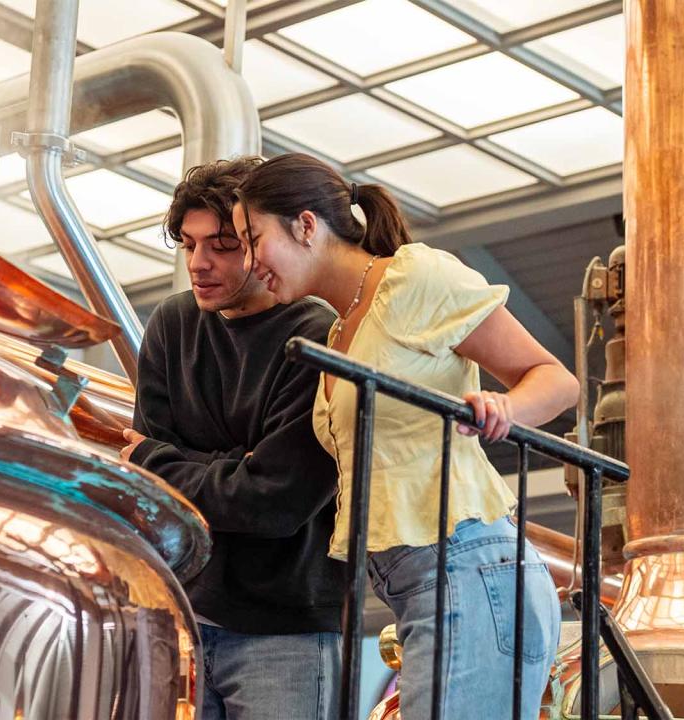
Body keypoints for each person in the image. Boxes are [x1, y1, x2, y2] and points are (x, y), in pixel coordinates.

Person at [232, 153, 579, 720]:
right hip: (417, 583)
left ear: (305, 225)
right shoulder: (339, 332)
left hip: (467, 565)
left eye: (253, 240)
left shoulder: (414, 278)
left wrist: (505, 407)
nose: (249, 263)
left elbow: (557, 380)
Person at [120, 157, 347, 719]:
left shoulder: (319, 336)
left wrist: (170, 460)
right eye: (188, 244)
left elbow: (275, 501)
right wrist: (233, 465)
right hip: (176, 616)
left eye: (222, 246)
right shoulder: (172, 325)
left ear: (259, 241)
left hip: (284, 629)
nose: (198, 263)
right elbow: (145, 481)